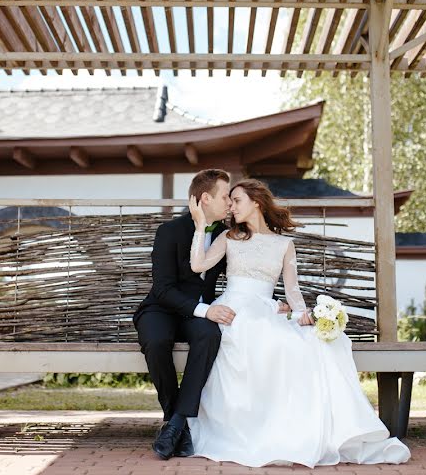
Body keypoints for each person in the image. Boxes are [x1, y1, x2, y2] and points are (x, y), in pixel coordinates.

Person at [185, 179, 411, 468]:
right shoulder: (229, 237)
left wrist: (304, 315)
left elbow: (292, 290)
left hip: (265, 308)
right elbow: (197, 266)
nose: (231, 207)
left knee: (305, 344)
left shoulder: (283, 244)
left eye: (237, 200)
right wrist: (200, 225)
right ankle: (251, 423)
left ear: (256, 202)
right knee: (259, 335)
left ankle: (296, 426)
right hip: (233, 308)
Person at [132, 169, 236, 460]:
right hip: (161, 309)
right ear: (205, 198)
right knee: (156, 341)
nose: (230, 202)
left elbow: (245, 275)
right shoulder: (169, 232)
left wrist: (274, 302)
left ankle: (176, 424)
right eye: (225, 195)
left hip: (198, 318)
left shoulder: (225, 237)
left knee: (209, 335)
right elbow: (162, 289)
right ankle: (175, 417)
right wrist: (207, 309)